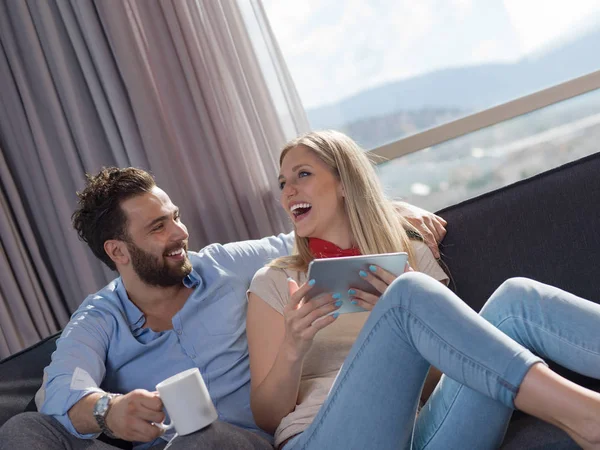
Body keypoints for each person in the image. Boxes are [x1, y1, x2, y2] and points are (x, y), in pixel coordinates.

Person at [0, 167, 445, 450]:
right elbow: (60, 387)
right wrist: (108, 412)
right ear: (118, 251)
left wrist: (387, 208)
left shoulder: (224, 265)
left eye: (175, 216)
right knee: (22, 431)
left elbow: (308, 238)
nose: (180, 232)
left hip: (244, 442)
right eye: (159, 226)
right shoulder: (100, 317)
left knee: (201, 438)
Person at [246, 130, 600, 450]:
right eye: (282, 183)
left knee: (516, 300)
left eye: (302, 174)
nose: (288, 191)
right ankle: (586, 416)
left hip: (425, 434)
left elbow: (448, 379)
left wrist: (404, 326)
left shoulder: (409, 255)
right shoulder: (275, 281)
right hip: (323, 436)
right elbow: (267, 416)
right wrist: (293, 347)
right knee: (410, 290)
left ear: (344, 183)